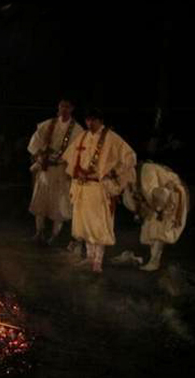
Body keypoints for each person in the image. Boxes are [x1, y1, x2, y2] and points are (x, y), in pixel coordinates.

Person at [62, 108, 136, 273]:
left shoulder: (112, 138)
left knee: (99, 225)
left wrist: (113, 172)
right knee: (85, 225)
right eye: (87, 120)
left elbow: (130, 157)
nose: (89, 124)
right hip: (83, 187)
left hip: (99, 189)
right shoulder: (83, 136)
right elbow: (70, 157)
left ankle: (98, 262)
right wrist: (77, 171)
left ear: (100, 121)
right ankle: (89, 257)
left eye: (92, 120)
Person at [28, 97, 84, 245]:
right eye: (61, 106)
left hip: (62, 170)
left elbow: (78, 152)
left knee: (59, 204)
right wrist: (40, 155)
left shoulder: (77, 130)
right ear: (58, 108)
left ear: (72, 109)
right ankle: (39, 231)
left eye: (67, 107)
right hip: (46, 169)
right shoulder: (48, 124)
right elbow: (35, 143)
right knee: (40, 201)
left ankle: (54, 235)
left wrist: (64, 159)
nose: (63, 109)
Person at [121, 162, 188, 271]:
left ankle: (154, 261)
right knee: (150, 230)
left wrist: (157, 209)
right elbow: (131, 202)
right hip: (157, 201)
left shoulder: (146, 171)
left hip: (169, 197)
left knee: (159, 229)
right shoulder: (130, 181)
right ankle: (147, 258)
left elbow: (156, 193)